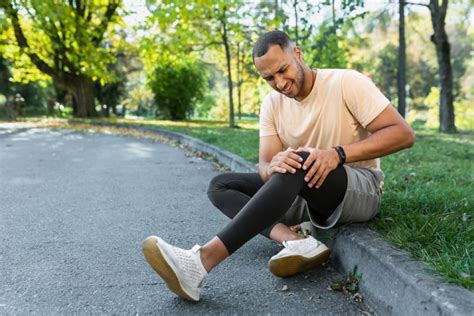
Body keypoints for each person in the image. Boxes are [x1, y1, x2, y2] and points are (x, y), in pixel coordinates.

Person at [142, 30, 415, 302]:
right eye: (269, 78)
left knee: (299, 162)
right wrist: (273, 165)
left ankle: (202, 260)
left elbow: (403, 134)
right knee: (221, 185)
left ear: (297, 54)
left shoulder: (346, 82)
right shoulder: (272, 104)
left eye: (283, 70)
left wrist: (338, 154)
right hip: (306, 190)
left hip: (359, 188)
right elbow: (264, 164)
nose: (280, 83)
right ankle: (297, 242)